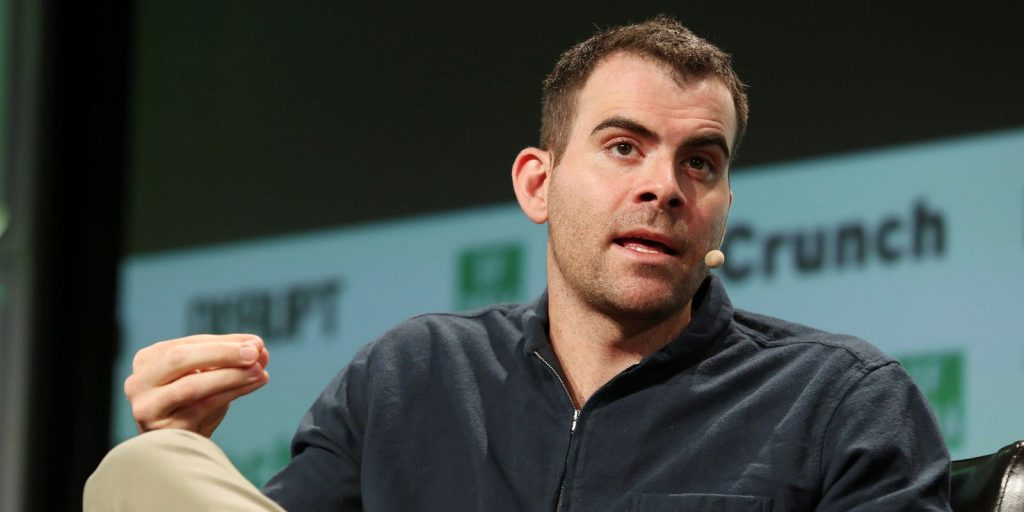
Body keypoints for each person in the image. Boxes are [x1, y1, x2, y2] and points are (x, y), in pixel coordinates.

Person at [85, 15, 951, 511]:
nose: (665, 187)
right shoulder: (412, 376)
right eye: (624, 147)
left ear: (723, 203)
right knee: (143, 469)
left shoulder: (837, 398)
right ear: (539, 184)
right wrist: (182, 443)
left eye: (701, 162)